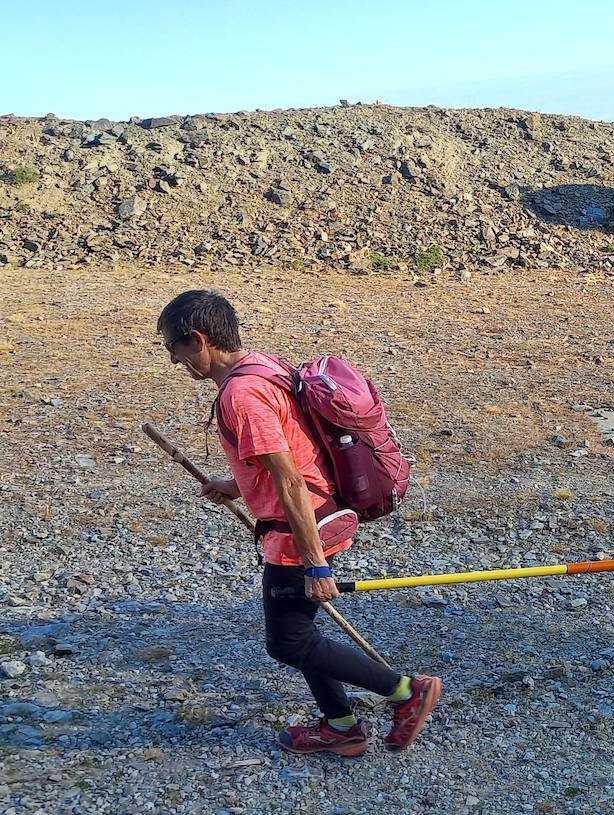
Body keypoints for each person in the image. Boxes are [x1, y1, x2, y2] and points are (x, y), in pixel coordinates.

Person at [157, 289, 442, 755]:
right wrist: (235, 485)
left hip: (300, 528)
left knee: (287, 643)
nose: (173, 360)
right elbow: (292, 450)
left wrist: (315, 566)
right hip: (322, 513)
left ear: (198, 339)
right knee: (302, 634)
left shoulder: (241, 396)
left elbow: (290, 482)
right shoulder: (265, 366)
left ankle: (406, 692)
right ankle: (342, 727)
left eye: (173, 347)